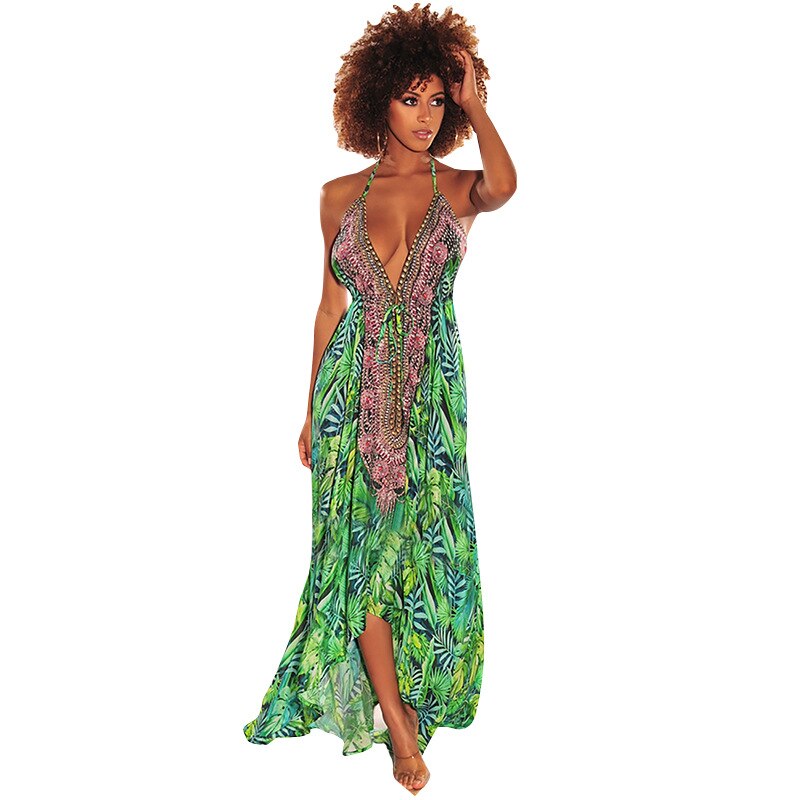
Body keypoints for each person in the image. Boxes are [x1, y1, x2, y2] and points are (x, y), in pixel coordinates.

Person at [242, 3, 516, 794]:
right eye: (410, 98)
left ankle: (411, 696)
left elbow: (505, 184)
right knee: (355, 555)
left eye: (437, 100)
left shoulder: (459, 188)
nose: (425, 116)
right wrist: (309, 407)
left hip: (431, 403)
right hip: (350, 397)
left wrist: (476, 106)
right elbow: (331, 307)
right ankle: (397, 729)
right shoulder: (338, 196)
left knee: (425, 553)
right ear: (376, 101)